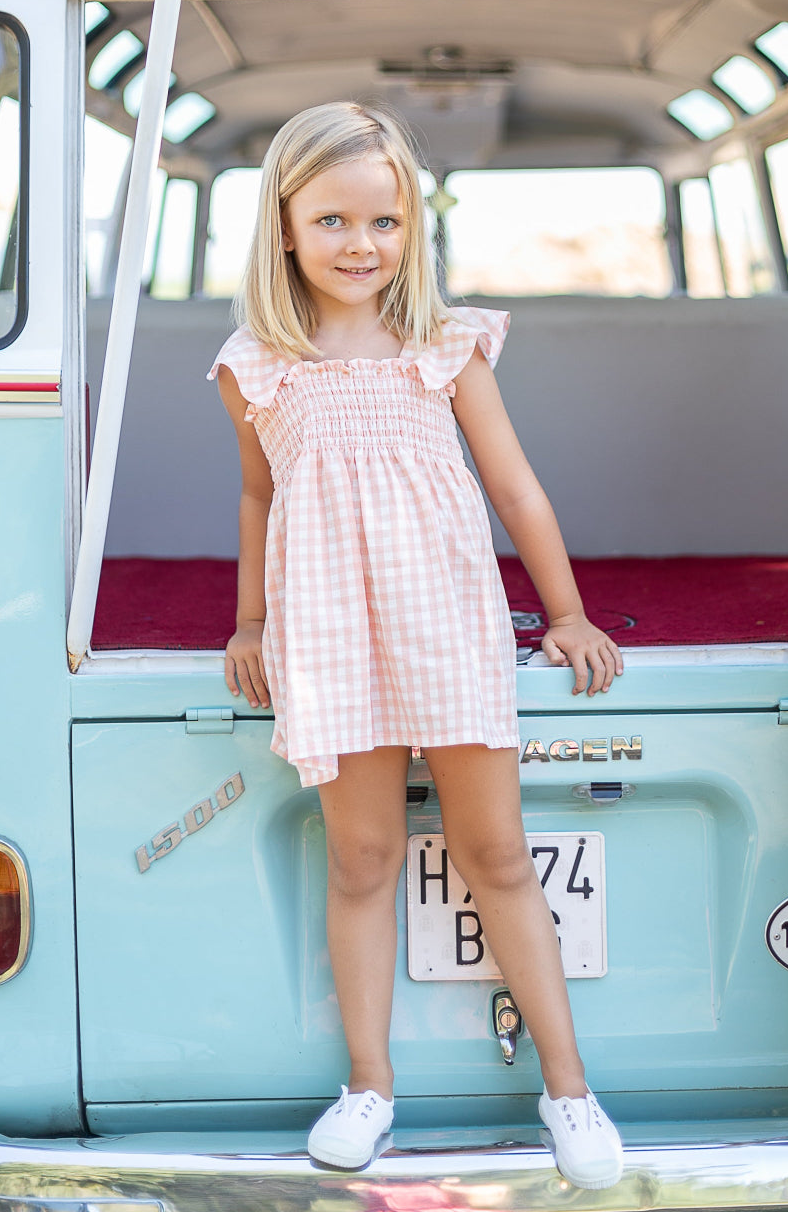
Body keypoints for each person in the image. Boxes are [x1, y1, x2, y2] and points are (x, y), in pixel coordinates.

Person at [209, 101, 625, 1188]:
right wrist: (251, 620)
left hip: (445, 622)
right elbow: (258, 496)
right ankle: (369, 1084)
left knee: (495, 855)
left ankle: (570, 1090)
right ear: (286, 227)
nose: (362, 245)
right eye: (334, 220)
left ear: (413, 228)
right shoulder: (258, 364)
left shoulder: (447, 343)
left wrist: (567, 610)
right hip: (330, 633)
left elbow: (513, 486)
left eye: (384, 222)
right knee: (362, 860)